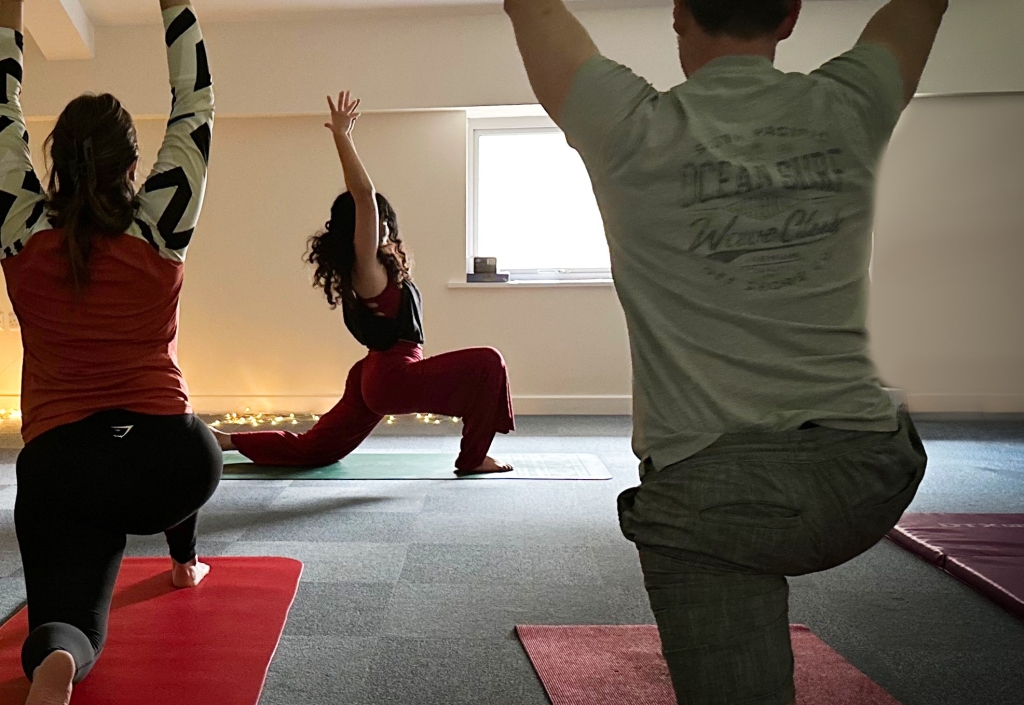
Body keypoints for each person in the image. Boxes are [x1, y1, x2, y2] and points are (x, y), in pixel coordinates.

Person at [503, 0, 947, 702]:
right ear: (791, 15)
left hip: (714, 501)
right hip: (866, 473)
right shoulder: (850, 102)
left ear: (678, 14)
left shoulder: (627, 125)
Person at [0, 0, 220, 702]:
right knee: (175, 416)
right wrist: (174, 3)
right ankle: (184, 560)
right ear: (133, 163)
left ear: (53, 163)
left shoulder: (19, 228)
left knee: (68, 619)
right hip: (172, 463)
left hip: (60, 467)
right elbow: (198, 103)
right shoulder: (161, 223)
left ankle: (58, 660)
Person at [213, 91, 514, 477]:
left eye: (386, 221)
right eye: (375, 221)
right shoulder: (366, 266)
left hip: (371, 374)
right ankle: (473, 459)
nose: (382, 226)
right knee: (489, 362)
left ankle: (224, 439)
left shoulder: (371, 270)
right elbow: (365, 196)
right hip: (392, 378)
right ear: (356, 229)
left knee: (316, 449)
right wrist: (343, 137)